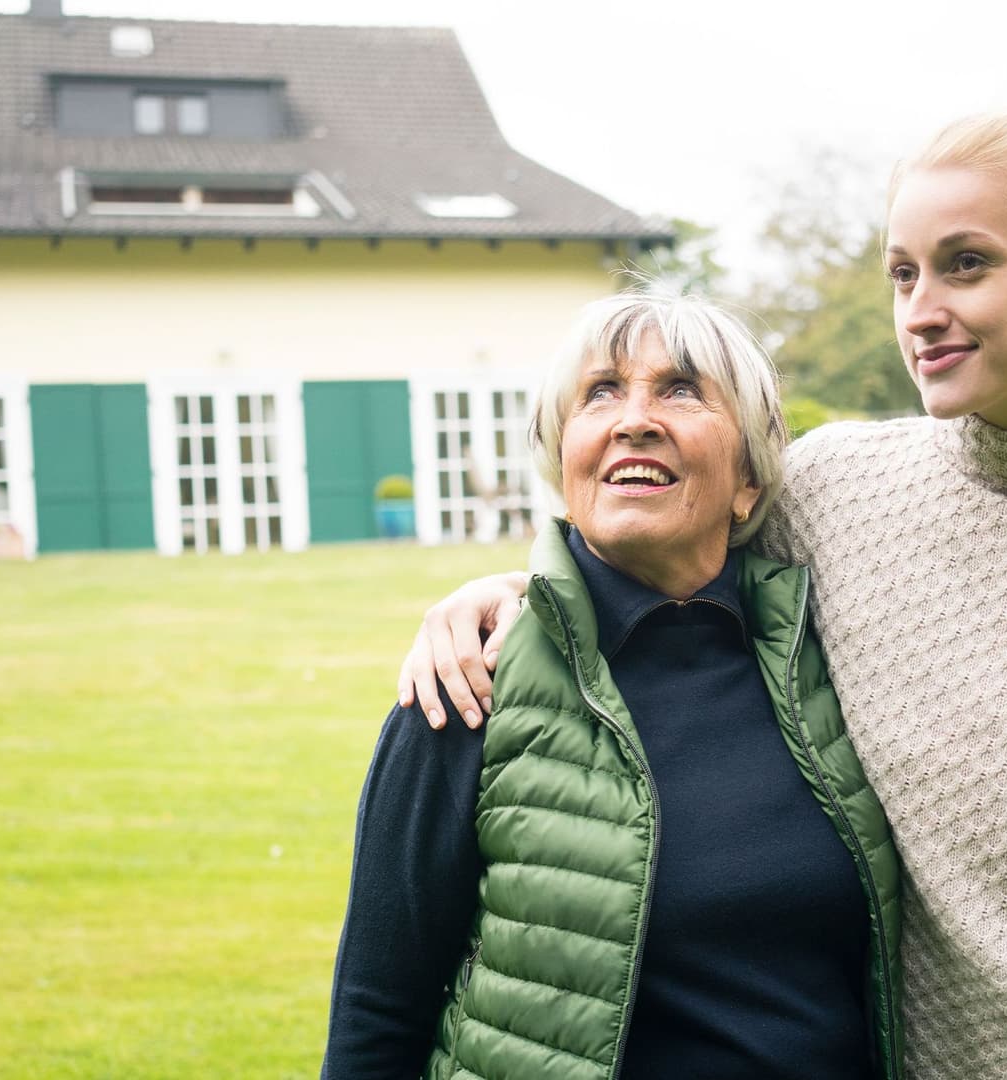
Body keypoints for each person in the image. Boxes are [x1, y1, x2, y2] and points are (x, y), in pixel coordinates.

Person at [396, 73, 1007, 1079]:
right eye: (903, 273)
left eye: (965, 266)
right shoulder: (834, 493)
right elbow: (660, 559)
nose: (923, 310)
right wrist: (511, 602)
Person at [323, 295, 907, 1079]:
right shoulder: (469, 680)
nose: (634, 419)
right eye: (600, 392)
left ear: (749, 478)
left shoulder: (835, 659)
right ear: (566, 462)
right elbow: (377, 1011)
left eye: (681, 389)